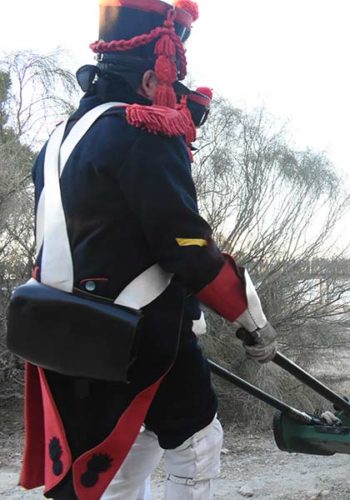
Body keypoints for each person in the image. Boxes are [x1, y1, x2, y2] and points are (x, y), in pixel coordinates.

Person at [18, 1, 276, 498]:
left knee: (125, 450)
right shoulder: (140, 132)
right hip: (140, 333)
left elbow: (99, 241)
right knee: (197, 443)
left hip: (65, 329)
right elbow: (186, 244)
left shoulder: (56, 140)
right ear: (149, 78)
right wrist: (250, 318)